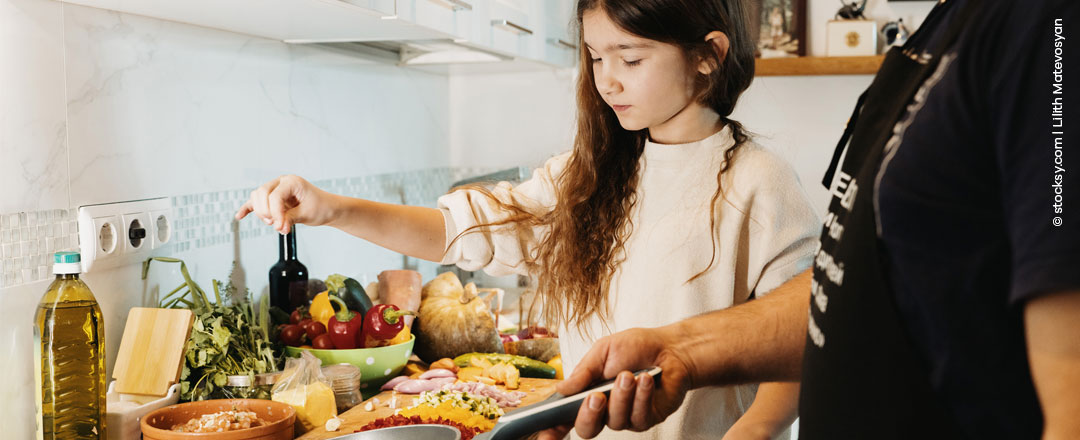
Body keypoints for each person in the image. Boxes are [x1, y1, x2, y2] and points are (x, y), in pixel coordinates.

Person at [236, 0, 821, 438]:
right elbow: (457, 231)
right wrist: (332, 208)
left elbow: (802, 347)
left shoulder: (757, 183)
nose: (606, 78)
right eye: (595, 56)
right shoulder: (588, 176)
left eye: (631, 57)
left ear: (707, 56)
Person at [542, 0, 1080, 439]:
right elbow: (858, 284)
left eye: (629, 58)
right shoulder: (949, 27)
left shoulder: (1049, 31)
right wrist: (683, 350)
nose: (607, 79)